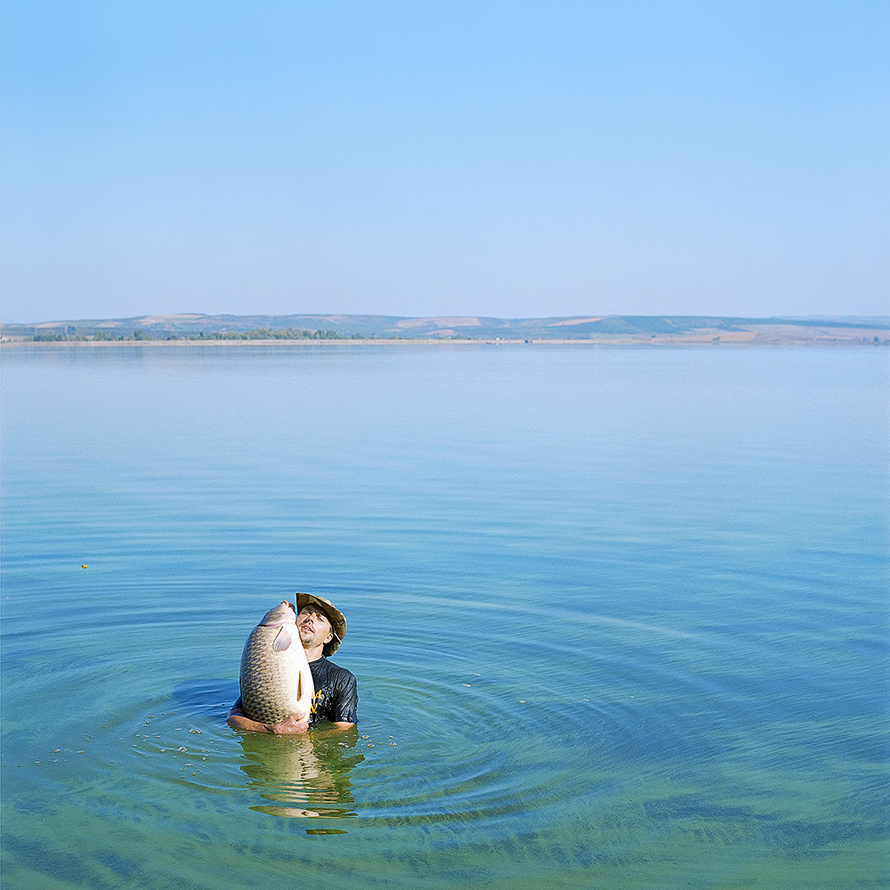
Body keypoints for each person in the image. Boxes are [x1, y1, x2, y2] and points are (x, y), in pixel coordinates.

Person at [227, 593, 358, 734]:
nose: (310, 619)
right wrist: (271, 729)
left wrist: (303, 739)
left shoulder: (342, 678)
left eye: (320, 618)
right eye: (306, 613)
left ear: (328, 637)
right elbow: (233, 718)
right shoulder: (269, 667)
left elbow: (344, 728)